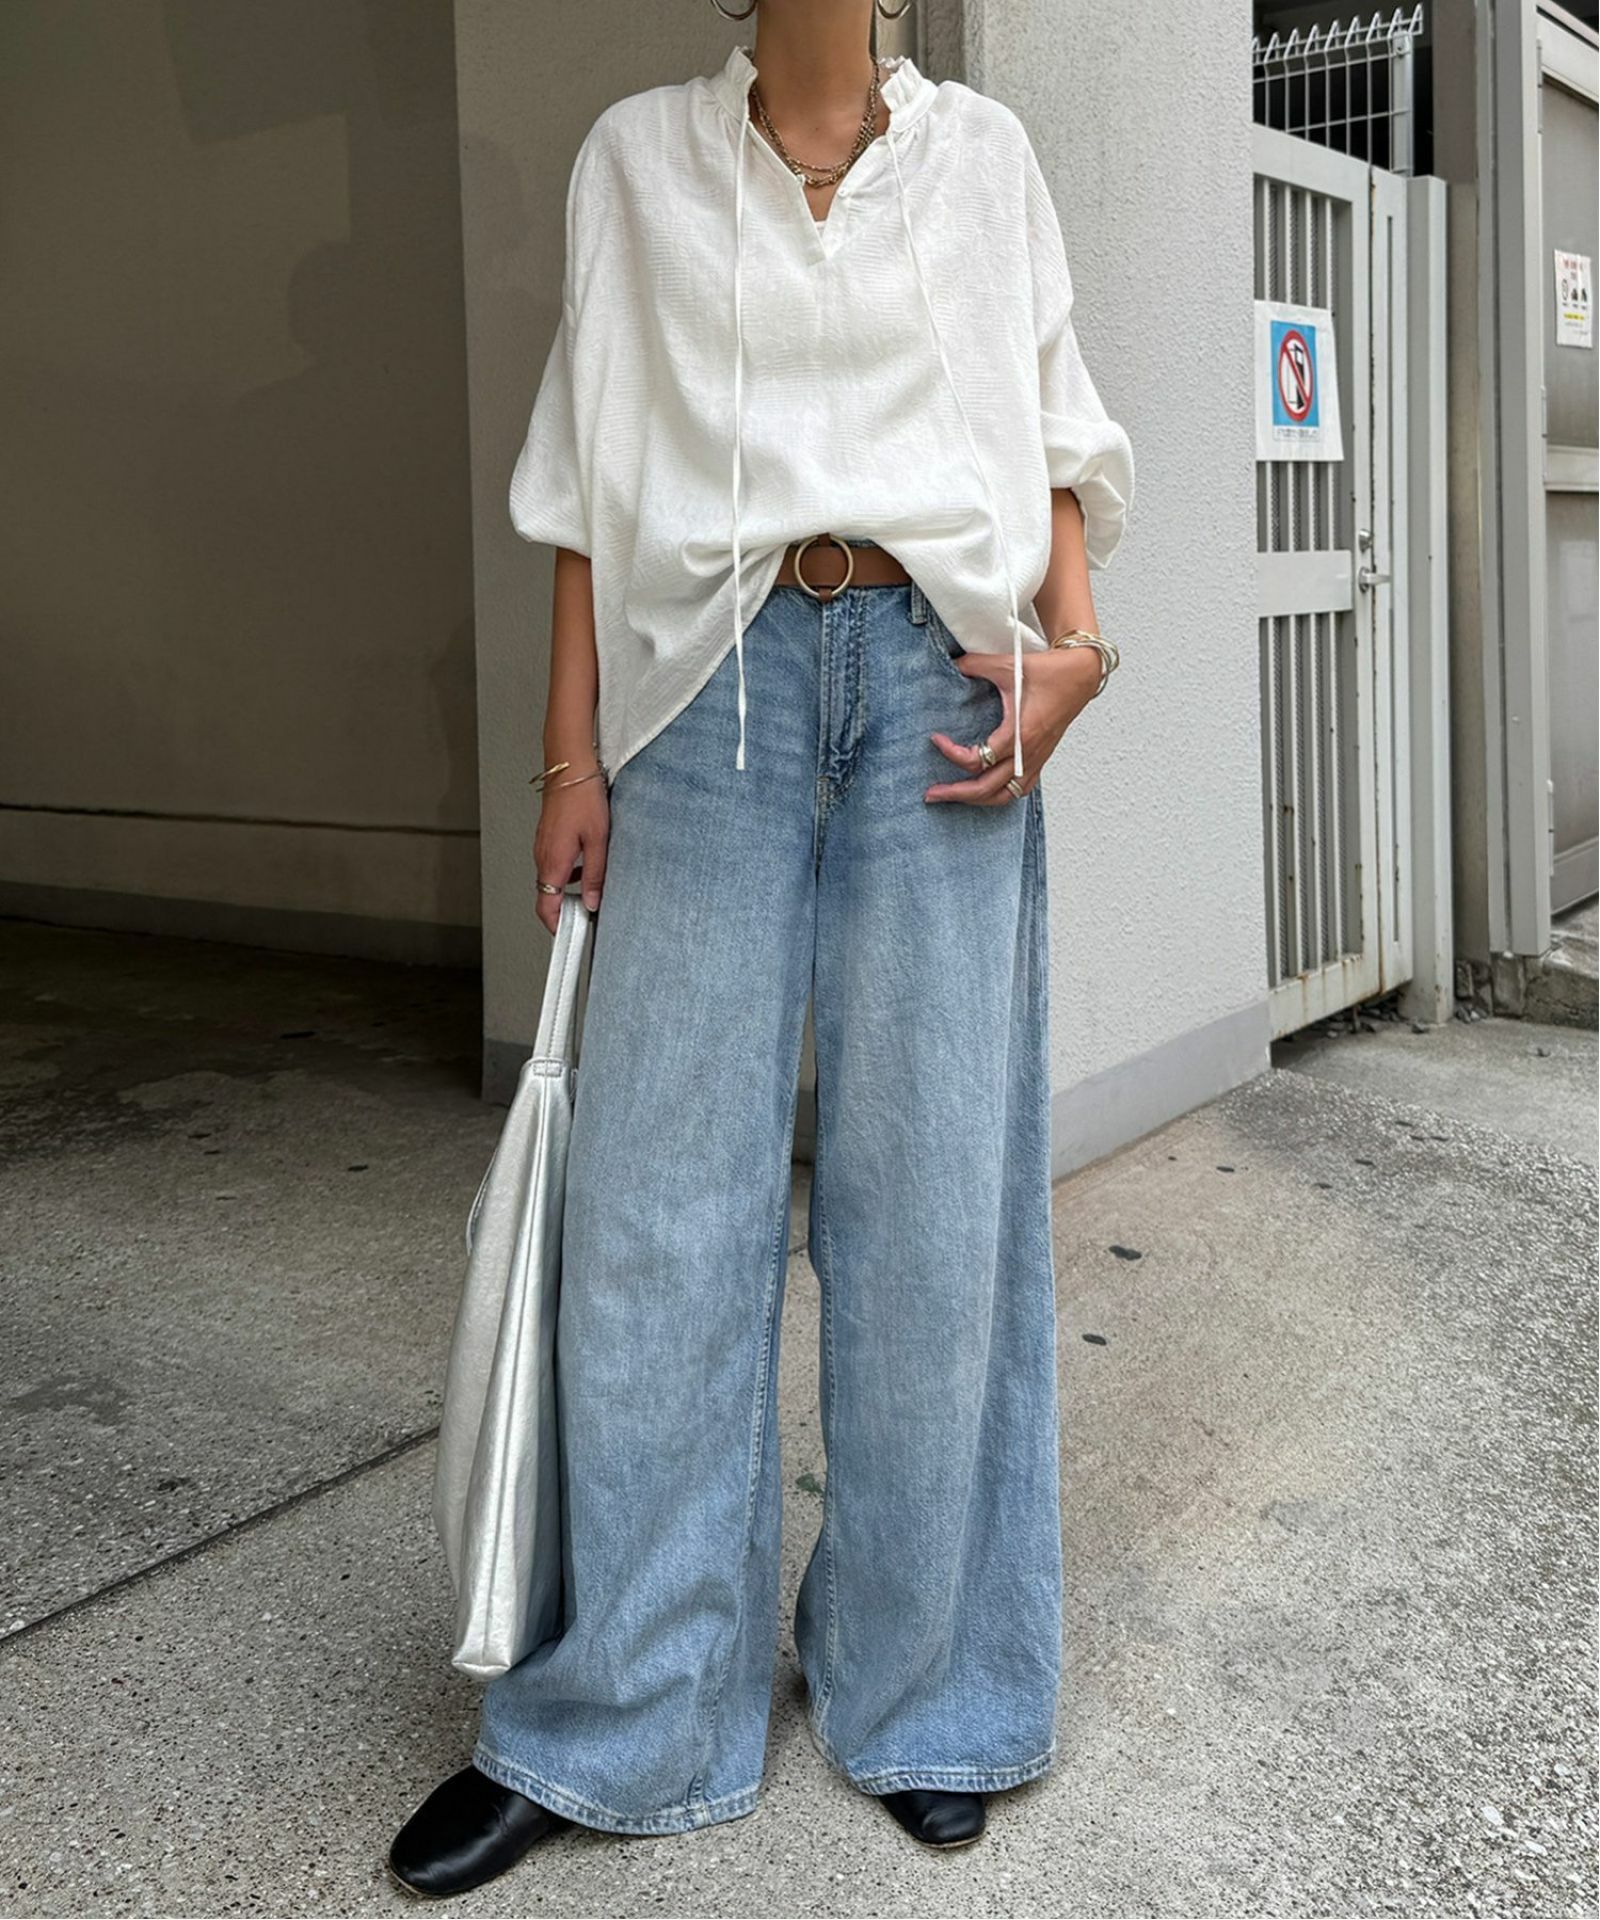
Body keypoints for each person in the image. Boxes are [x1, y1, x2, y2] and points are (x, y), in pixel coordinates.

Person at [388, 0, 1133, 1895]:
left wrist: (1078, 650)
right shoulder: (635, 160)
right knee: (657, 1215)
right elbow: (589, 479)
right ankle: (622, 1712)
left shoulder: (986, 164)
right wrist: (570, 756)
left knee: (936, 1203)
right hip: (701, 697)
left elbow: (1052, 426)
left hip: (942, 687)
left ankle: (931, 1687)